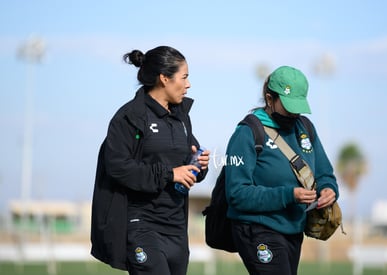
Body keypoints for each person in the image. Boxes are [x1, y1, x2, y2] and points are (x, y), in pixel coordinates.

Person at [90, 46, 210, 275]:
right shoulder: (129, 117)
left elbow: (186, 161)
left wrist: (199, 165)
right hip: (141, 225)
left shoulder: (181, 117)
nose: (188, 84)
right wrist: (169, 174)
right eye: (184, 77)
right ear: (164, 78)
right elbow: (118, 166)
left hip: (176, 228)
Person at [225, 66, 339, 275]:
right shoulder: (247, 133)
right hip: (257, 229)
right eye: (288, 107)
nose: (294, 114)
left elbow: (324, 174)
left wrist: (329, 190)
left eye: (298, 107)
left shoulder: (305, 128)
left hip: (294, 230)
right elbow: (236, 193)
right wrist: (289, 195)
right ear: (270, 99)